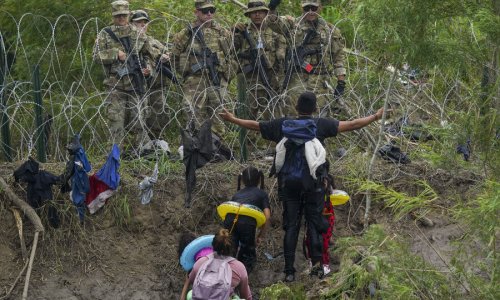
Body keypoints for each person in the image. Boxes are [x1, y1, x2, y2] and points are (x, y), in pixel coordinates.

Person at [220, 91, 384, 282]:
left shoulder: (283, 124)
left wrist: (233, 119)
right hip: (314, 185)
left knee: (291, 227)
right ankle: (316, 267)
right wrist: (375, 116)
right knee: (314, 224)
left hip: (288, 185)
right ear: (315, 109)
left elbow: (256, 126)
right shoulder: (321, 125)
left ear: (296, 107)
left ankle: (289, 272)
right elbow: (353, 124)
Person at [267, 0, 347, 117]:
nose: (310, 11)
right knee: (294, 115)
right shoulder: (292, 25)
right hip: (297, 79)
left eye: (313, 8)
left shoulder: (330, 30)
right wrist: (272, 8)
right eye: (307, 8)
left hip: (320, 81)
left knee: (319, 118)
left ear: (320, 8)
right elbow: (274, 22)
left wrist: (341, 83)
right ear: (301, 8)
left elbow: (338, 58)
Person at [93, 0, 153, 151]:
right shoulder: (105, 34)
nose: (121, 18)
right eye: (118, 15)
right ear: (113, 16)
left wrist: (148, 68)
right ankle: (114, 157)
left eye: (124, 15)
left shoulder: (137, 33)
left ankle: (141, 153)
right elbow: (95, 56)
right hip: (115, 86)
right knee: (116, 124)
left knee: (139, 121)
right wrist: (115, 53)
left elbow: (149, 55)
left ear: (128, 15)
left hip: (136, 84)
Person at [170, 0, 235, 135]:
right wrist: (185, 72)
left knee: (219, 113)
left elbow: (232, 57)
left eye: (212, 10)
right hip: (194, 80)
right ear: (196, 12)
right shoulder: (186, 33)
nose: (209, 14)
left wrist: (226, 76)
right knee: (193, 113)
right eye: (205, 11)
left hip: (216, 77)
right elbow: (174, 56)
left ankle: (216, 147)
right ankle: (197, 146)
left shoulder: (222, 32)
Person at [233, 0, 286, 120]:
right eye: (254, 13)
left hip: (271, 80)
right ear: (249, 15)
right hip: (250, 81)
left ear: (266, 13)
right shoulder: (242, 31)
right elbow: (230, 49)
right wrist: (232, 32)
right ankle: (249, 139)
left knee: (273, 118)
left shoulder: (275, 31)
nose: (257, 15)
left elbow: (282, 57)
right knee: (246, 118)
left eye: (260, 12)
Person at [130, 10, 175, 143]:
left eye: (145, 23)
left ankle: (157, 143)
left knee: (160, 114)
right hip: (137, 87)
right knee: (139, 116)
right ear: (132, 24)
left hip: (156, 86)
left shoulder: (154, 42)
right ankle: (141, 145)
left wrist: (167, 57)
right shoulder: (129, 42)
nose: (142, 25)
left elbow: (168, 54)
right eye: (138, 23)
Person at [223, 166, 271, 273]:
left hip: (229, 219)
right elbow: (267, 216)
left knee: (230, 250)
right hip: (247, 222)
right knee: (247, 254)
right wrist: (261, 236)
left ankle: (226, 276)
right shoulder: (261, 194)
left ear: (243, 180)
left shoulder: (237, 194)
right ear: (259, 179)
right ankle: (243, 281)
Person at [185, 228, 252, 300]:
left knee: (190, 294)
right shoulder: (239, 267)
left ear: (212, 245)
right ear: (232, 248)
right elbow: (246, 296)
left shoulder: (200, 262)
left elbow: (192, 281)